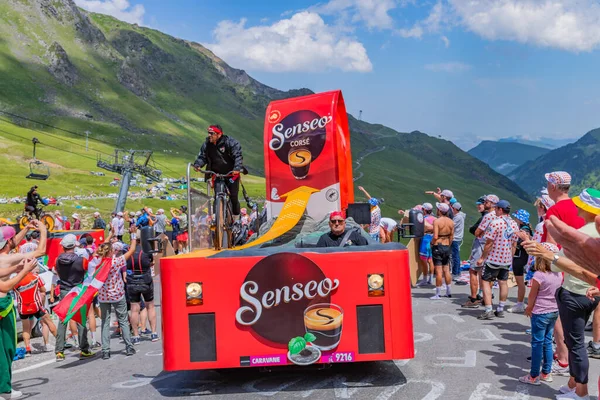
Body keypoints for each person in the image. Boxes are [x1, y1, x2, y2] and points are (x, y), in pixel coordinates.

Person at [0, 221, 47, 400]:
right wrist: (42, 229)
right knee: (7, 349)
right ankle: (4, 390)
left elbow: (10, 243)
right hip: (3, 307)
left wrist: (26, 229)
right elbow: (41, 251)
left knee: (6, 348)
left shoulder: (4, 256)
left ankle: (4, 388)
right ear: (8, 242)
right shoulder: (5, 258)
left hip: (4, 305)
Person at [519, 242, 562, 386]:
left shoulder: (539, 275)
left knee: (537, 343)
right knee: (548, 342)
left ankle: (533, 376)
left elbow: (532, 294)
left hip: (540, 311)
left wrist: (529, 308)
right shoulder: (558, 274)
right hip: (553, 310)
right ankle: (546, 372)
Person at [54, 234, 94, 361]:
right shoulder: (81, 260)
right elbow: (89, 271)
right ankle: (84, 349)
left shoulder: (57, 260)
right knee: (81, 319)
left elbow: (57, 272)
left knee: (63, 319)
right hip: (78, 290)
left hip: (64, 290)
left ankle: (59, 351)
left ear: (63, 246)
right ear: (75, 245)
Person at [477, 200, 519, 320]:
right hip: (506, 259)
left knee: (485, 281)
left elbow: (489, 243)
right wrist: (510, 257)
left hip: (493, 258)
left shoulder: (495, 223)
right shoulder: (514, 224)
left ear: (500, 210)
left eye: (496, 209)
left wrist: (482, 258)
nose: (494, 211)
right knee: (503, 282)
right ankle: (500, 308)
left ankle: (488, 309)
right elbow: (514, 243)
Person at [193, 125, 244, 221]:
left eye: (212, 133)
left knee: (233, 197)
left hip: (231, 174)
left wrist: (237, 168)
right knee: (217, 195)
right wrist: (198, 165)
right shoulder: (207, 144)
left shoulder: (230, 142)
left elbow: (238, 156)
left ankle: (236, 218)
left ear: (219, 134)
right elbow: (202, 157)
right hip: (217, 174)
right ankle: (217, 219)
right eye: (208, 133)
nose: (209, 135)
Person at [98, 239, 137, 359]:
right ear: (110, 252)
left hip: (103, 296)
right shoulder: (116, 261)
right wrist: (134, 235)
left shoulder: (98, 262)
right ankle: (129, 346)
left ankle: (105, 350)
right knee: (123, 320)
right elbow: (132, 250)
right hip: (117, 294)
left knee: (105, 321)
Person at [14, 264, 58, 356]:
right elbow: (43, 290)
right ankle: (60, 342)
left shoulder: (15, 280)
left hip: (23, 308)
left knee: (25, 328)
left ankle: (28, 350)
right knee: (49, 322)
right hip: (36, 306)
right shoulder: (35, 277)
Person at [126, 234, 159, 344]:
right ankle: (154, 333)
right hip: (145, 280)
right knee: (150, 306)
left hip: (132, 281)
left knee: (134, 309)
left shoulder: (128, 251)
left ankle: (136, 335)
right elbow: (151, 263)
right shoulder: (146, 251)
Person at [462, 195, 494, 308]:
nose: (479, 206)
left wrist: (476, 230)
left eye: (481, 203)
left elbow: (475, 231)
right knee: (485, 273)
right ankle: (486, 296)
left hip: (481, 245)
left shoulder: (486, 217)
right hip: (491, 247)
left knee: (473, 271)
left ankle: (474, 298)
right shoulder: (497, 216)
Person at [507, 209, 533, 313]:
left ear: (520, 219)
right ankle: (520, 303)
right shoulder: (526, 228)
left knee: (520, 282)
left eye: (516, 217)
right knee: (520, 281)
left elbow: (520, 244)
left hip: (519, 257)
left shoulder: (523, 230)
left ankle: (520, 304)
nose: (515, 218)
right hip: (522, 257)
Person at [430, 203, 454, 299]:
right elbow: (452, 236)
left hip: (438, 245)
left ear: (439, 210)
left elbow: (435, 236)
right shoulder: (451, 222)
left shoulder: (437, 221)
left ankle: (438, 293)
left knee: (439, 271)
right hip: (447, 245)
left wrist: (432, 243)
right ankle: (448, 291)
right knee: (446, 270)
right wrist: (448, 244)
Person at [417, 203, 437, 287]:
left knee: (423, 259)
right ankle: (430, 278)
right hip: (432, 239)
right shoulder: (435, 219)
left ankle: (425, 279)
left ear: (424, 210)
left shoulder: (423, 219)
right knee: (430, 259)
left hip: (425, 239)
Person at [451, 202, 465, 278]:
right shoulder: (460, 216)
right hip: (458, 237)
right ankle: (458, 271)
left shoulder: (457, 217)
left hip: (455, 238)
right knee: (456, 256)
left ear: (455, 209)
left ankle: (455, 273)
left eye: (452, 208)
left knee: (455, 256)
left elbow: (452, 225)